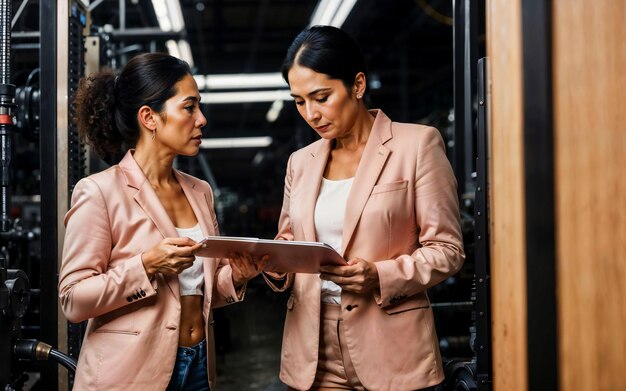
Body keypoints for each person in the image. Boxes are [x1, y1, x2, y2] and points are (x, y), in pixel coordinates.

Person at [263, 26, 465, 391]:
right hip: (313, 351)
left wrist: (380, 275)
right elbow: (290, 241)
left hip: (392, 346)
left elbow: (448, 251)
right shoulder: (300, 162)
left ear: (357, 85)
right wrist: (270, 264)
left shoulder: (416, 146)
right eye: (299, 101)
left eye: (321, 97)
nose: (311, 113)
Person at [58, 52, 265, 391]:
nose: (202, 119)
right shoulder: (99, 191)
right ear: (149, 117)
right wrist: (146, 265)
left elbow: (200, 290)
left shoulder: (200, 192)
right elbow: (73, 299)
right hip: (130, 374)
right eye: (189, 107)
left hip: (198, 365)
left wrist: (237, 278)